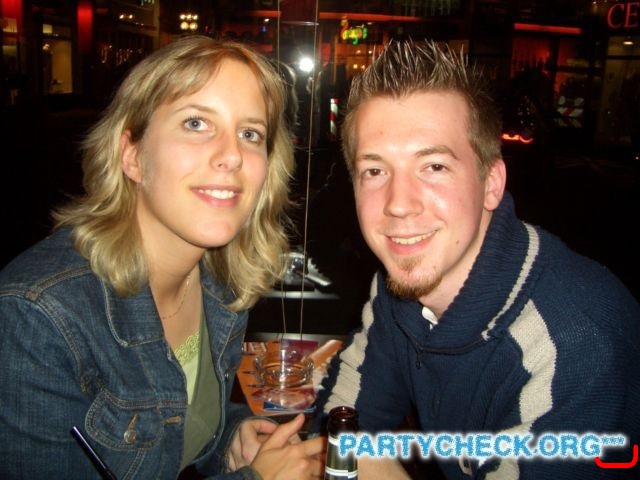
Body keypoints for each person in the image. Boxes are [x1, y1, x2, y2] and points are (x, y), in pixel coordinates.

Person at [0, 36, 324, 479]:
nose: (232, 155)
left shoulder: (220, 280)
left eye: (250, 134)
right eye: (196, 123)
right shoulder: (34, 318)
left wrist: (232, 438)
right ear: (132, 154)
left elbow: (174, 423)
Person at [314, 39, 640, 479]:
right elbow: (341, 423)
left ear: (491, 183)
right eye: (375, 170)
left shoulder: (574, 347)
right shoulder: (401, 284)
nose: (398, 204)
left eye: (434, 166)